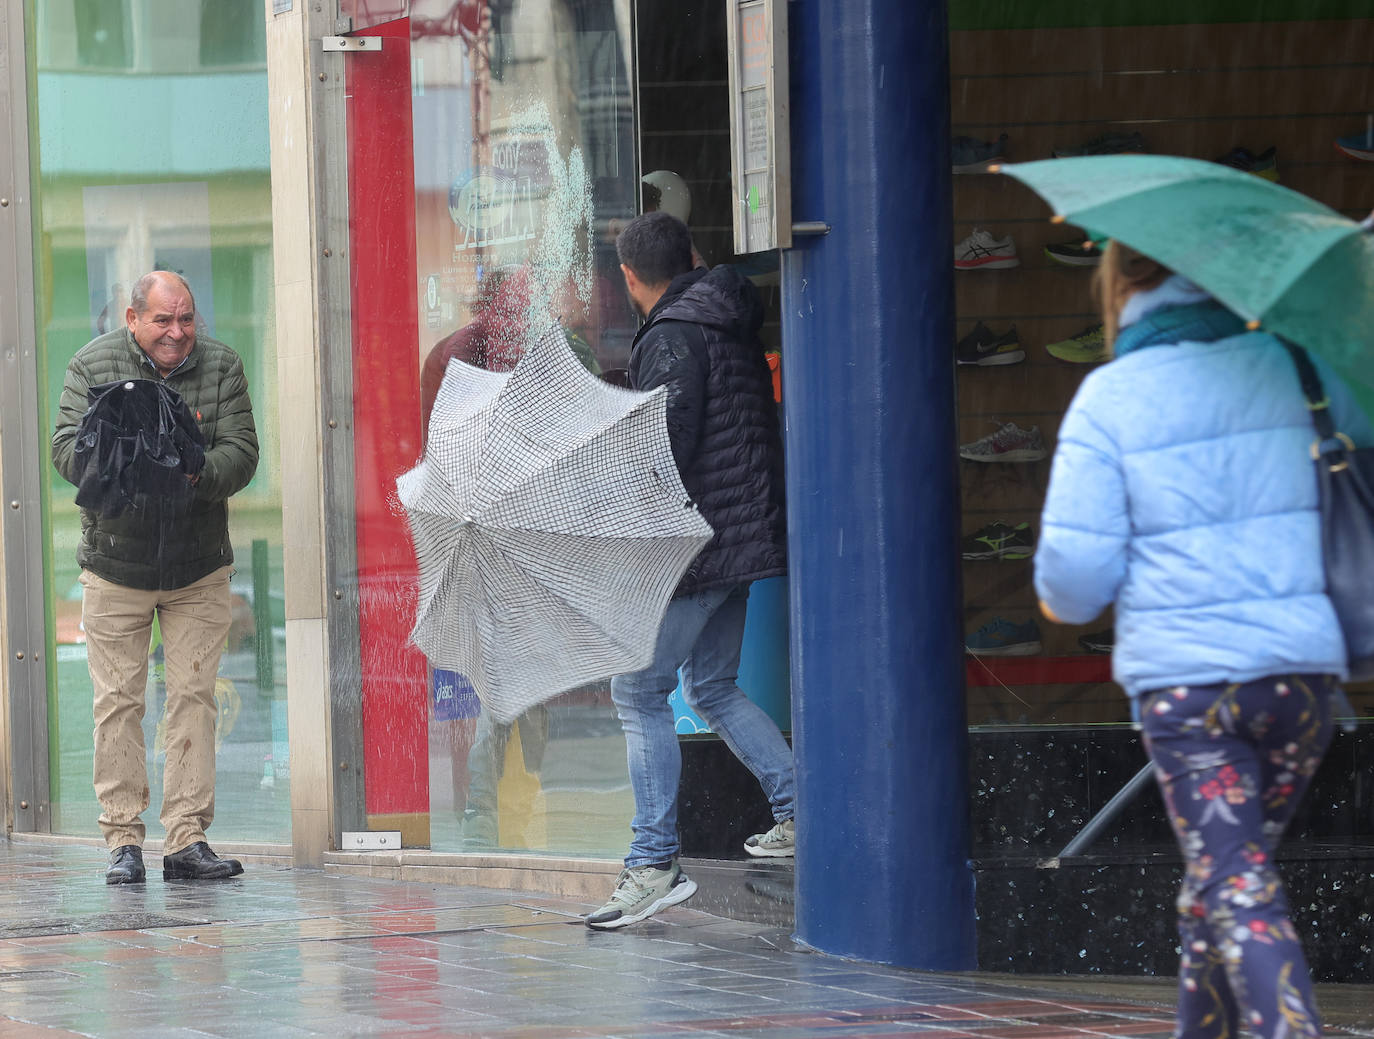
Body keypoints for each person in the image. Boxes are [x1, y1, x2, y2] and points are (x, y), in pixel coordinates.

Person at [1034, 242, 1373, 1039]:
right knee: (1216, 883)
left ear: (1121, 284)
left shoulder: (1109, 398)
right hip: (1300, 684)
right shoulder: (1297, 366)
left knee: (1234, 880)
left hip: (1191, 694)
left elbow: (1074, 584)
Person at [585, 211, 793, 930]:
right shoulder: (721, 318)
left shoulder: (672, 335)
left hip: (699, 544)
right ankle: (802, 808)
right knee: (710, 685)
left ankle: (653, 862)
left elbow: (664, 445)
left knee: (637, 688)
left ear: (629, 277)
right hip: (737, 533)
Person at [52, 271, 259, 885]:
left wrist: (193, 470)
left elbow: (243, 452)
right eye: (164, 320)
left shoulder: (222, 366)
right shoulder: (92, 365)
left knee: (193, 699)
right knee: (118, 702)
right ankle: (122, 839)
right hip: (116, 566)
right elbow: (66, 448)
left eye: (187, 319)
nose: (177, 333)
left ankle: (187, 840)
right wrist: (129, 461)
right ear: (133, 317)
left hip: (198, 567)